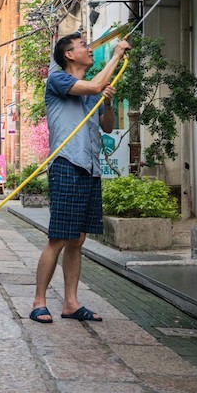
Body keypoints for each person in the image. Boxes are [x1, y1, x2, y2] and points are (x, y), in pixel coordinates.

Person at [30, 33, 130, 324]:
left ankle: (71, 303)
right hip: (67, 165)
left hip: (90, 168)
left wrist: (107, 103)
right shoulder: (58, 80)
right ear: (70, 55)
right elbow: (97, 84)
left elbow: (108, 127)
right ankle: (39, 301)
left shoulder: (90, 92)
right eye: (83, 46)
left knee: (78, 239)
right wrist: (115, 55)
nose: (89, 49)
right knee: (59, 238)